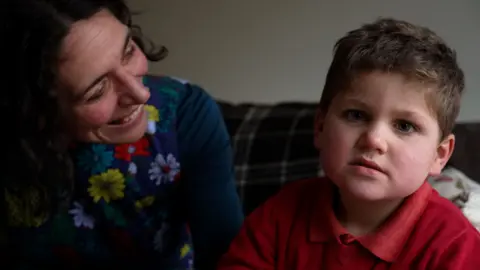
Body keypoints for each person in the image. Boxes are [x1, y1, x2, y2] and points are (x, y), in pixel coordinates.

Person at [217, 18, 480, 269]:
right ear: (320, 127)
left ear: (440, 155)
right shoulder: (280, 214)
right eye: (356, 115)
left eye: (404, 126)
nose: (374, 140)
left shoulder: (456, 246)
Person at [1, 0, 243, 268]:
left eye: (128, 51)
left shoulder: (186, 115)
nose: (141, 94)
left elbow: (227, 259)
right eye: (97, 91)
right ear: (34, 107)